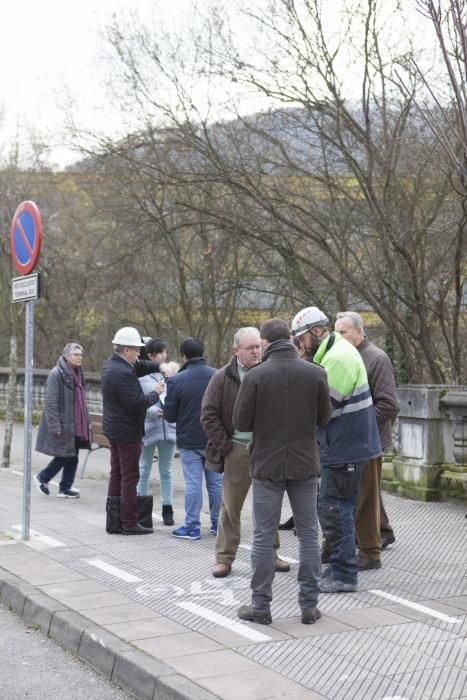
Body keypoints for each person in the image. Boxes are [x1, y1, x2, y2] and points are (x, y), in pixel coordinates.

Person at [233, 318, 331, 625]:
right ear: (290, 338)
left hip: (267, 465)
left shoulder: (256, 376)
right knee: (308, 536)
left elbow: (241, 423)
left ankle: (261, 606)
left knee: (263, 536)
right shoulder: (316, 373)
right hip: (304, 464)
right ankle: (309, 606)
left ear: (263, 343)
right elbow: (325, 418)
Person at [291, 306, 381, 593]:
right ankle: (340, 566)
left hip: (345, 448)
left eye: (301, 339)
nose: (300, 346)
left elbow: (324, 410)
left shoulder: (337, 359)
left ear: (317, 332)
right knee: (337, 507)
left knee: (334, 509)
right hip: (347, 445)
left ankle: (343, 574)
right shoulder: (335, 352)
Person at [201, 327, 290, 578]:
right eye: (250, 348)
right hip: (237, 450)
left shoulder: (270, 373)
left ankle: (271, 554)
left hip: (266, 450)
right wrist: (227, 448)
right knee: (230, 508)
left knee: (269, 505)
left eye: (258, 347)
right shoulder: (222, 377)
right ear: (236, 350)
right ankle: (224, 558)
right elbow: (208, 415)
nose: (255, 352)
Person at [334, 311, 399, 566]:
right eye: (336, 332)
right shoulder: (344, 357)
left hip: (368, 439)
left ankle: (374, 541)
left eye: (343, 332)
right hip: (353, 440)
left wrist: (355, 423)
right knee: (367, 493)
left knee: (366, 493)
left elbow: (389, 405)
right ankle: (382, 532)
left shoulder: (376, 358)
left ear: (360, 331)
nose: (338, 337)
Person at [101, 327, 175, 535]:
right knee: (129, 477)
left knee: (117, 474)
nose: (139, 354)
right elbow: (137, 403)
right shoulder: (123, 372)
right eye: (136, 350)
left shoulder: (113, 364)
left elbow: (142, 365)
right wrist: (155, 392)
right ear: (126, 350)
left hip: (115, 429)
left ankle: (115, 520)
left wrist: (160, 366)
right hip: (127, 432)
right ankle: (130, 522)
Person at [164, 337, 222, 540]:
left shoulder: (176, 380)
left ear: (183, 356)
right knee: (215, 484)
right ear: (203, 352)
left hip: (189, 441)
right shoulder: (218, 376)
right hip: (214, 439)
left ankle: (191, 526)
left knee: (194, 484)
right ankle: (218, 524)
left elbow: (170, 415)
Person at [35, 343, 91, 498]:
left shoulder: (79, 372)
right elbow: (51, 403)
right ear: (67, 356)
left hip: (76, 422)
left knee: (73, 454)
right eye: (76, 354)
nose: (79, 358)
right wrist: (55, 426)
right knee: (65, 454)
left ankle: (65, 488)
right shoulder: (56, 374)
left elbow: (82, 399)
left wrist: (87, 419)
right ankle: (43, 477)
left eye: (81, 355)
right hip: (64, 422)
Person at [137, 337, 179, 526]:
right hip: (149, 427)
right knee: (144, 468)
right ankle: (141, 508)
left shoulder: (171, 374)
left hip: (169, 428)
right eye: (162, 352)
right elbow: (137, 402)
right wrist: (153, 411)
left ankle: (167, 509)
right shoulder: (141, 376)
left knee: (166, 470)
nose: (165, 355)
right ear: (152, 355)